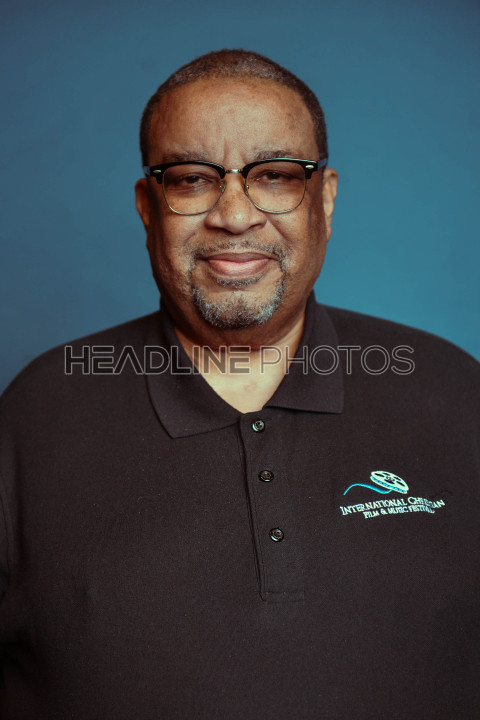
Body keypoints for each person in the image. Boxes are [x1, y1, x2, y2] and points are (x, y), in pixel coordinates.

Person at [0, 49, 479, 720]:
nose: (233, 214)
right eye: (192, 179)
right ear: (148, 207)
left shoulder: (454, 392)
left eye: (275, 175)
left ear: (325, 199)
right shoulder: (34, 416)